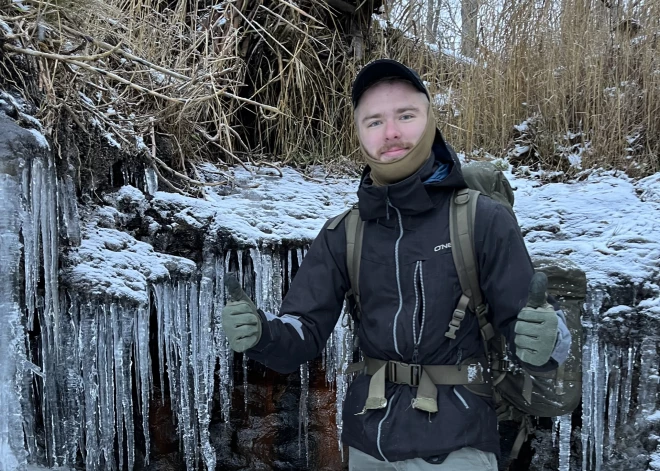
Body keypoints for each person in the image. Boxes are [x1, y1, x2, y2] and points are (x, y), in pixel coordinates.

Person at [221, 59, 571, 470]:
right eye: (374, 122)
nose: (390, 133)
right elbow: (303, 332)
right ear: (359, 134)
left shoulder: (482, 220)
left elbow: (524, 331)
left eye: (406, 116)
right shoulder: (343, 233)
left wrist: (548, 339)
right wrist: (261, 333)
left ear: (429, 119)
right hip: (368, 445)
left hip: (457, 445)